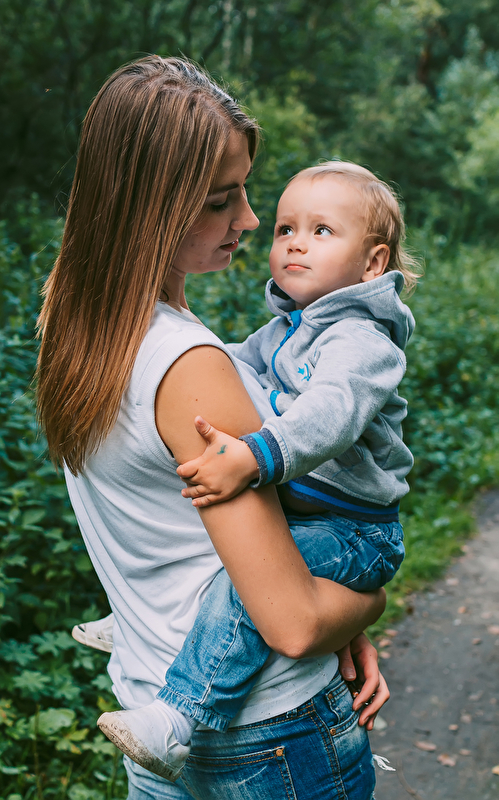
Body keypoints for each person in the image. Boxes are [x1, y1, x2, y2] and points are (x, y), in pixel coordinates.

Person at [37, 55, 389, 800]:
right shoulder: (190, 364)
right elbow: (294, 624)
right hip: (271, 731)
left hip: (151, 706)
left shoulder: (75, 325)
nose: (251, 220)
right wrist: (367, 604)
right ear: (151, 208)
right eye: (222, 200)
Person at [93, 161, 418, 778]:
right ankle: (145, 619)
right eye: (286, 228)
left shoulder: (361, 339)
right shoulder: (288, 329)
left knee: (239, 593)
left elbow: (331, 413)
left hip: (354, 529)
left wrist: (256, 454)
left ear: (373, 263)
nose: (294, 241)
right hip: (315, 517)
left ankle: (179, 717)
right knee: (243, 580)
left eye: (322, 231)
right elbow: (231, 367)